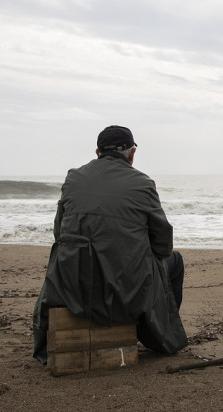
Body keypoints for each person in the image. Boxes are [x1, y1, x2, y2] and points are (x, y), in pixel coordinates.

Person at [32, 125, 187, 364]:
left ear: (97, 152)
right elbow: (163, 243)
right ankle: (157, 335)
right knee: (174, 262)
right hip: (125, 290)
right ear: (132, 153)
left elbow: (59, 233)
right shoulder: (143, 183)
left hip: (71, 288)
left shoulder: (73, 178)